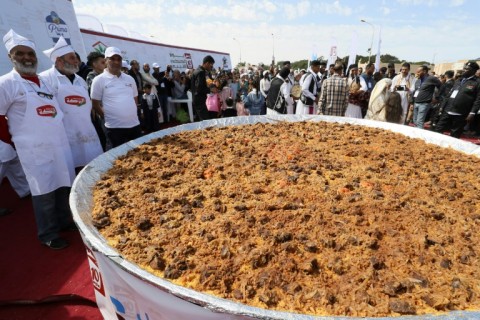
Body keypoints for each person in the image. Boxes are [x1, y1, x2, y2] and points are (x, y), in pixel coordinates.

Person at [0, 29, 75, 249]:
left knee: (63, 184)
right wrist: (14, 141)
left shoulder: (45, 81)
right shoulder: (6, 84)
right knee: (44, 191)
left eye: (30, 54)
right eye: (20, 53)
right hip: (34, 149)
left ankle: (64, 221)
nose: (26, 58)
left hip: (59, 144)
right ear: (10, 57)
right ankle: (48, 234)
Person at [40, 36, 103, 172]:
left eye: (76, 57)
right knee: (72, 171)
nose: (77, 61)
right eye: (72, 58)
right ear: (59, 61)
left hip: (88, 133)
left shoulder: (80, 80)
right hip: (66, 138)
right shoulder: (45, 79)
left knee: (94, 169)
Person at [91, 47, 142, 148]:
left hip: (134, 125)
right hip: (114, 129)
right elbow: (95, 103)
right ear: (105, 61)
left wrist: (129, 113)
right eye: (112, 59)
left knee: (141, 155)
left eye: (119, 59)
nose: (116, 62)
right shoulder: (98, 80)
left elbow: (135, 98)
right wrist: (106, 116)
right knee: (118, 159)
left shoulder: (129, 79)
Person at [435, 61, 480, 138]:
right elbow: (448, 95)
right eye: (464, 68)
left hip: (461, 113)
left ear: (473, 71)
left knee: (454, 134)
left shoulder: (477, 82)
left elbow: (478, 100)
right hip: (448, 110)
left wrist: (472, 113)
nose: (464, 70)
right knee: (438, 129)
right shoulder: (458, 80)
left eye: (467, 69)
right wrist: (442, 106)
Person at [191, 55, 215, 121]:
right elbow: (199, 89)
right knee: (205, 120)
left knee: (201, 120)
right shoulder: (201, 72)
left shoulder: (198, 71)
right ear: (207, 63)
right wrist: (210, 89)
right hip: (199, 100)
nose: (212, 67)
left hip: (198, 99)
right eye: (211, 65)